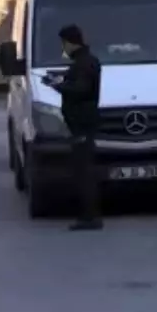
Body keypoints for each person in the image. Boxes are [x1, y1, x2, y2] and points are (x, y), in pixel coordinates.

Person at [40, 24, 104, 231]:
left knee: (84, 173)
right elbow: (77, 84)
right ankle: (88, 215)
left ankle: (89, 217)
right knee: (82, 171)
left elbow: (80, 89)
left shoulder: (84, 63)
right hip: (81, 124)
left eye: (63, 43)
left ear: (69, 42)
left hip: (82, 125)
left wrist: (56, 85)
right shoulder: (83, 62)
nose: (63, 48)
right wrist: (58, 81)